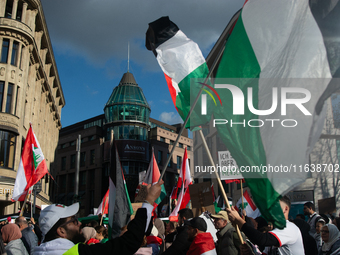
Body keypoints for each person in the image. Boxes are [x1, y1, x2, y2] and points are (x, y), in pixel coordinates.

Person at [33, 180, 164, 255]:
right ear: (61, 231)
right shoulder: (74, 252)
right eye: (73, 221)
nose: (79, 223)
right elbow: (128, 243)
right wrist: (149, 200)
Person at [227, 196, 305, 255]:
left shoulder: (289, 228)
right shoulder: (274, 233)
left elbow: (261, 239)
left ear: (285, 209)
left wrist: (239, 221)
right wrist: (250, 253)